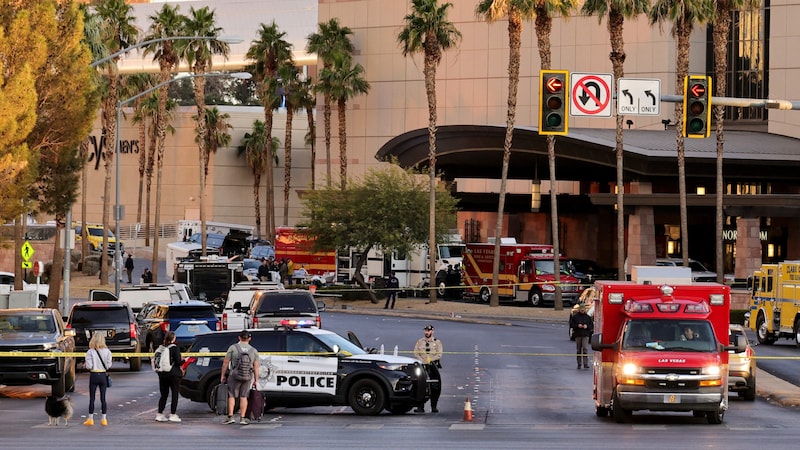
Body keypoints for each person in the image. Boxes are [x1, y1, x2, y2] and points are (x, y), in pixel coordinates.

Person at [221, 330, 260, 425]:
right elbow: (256, 366)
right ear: (249, 339)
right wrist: (256, 380)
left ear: (239, 337)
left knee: (232, 395)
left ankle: (230, 416)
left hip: (234, 375)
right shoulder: (253, 350)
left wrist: (223, 375)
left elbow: (225, 362)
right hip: (247, 376)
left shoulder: (233, 348)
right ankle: (242, 418)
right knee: (244, 396)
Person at [84, 333, 112, 426]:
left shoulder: (90, 352)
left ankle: (90, 419)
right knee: (103, 398)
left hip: (94, 375)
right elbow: (108, 365)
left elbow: (89, 366)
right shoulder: (107, 351)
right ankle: (104, 419)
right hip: (103, 375)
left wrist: (86, 365)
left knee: (92, 398)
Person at [413, 324, 443, 413]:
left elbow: (439, 354)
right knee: (420, 384)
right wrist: (422, 360)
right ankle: (420, 407)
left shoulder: (437, 342)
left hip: (432, 366)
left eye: (428, 331)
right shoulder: (419, 342)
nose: (427, 332)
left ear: (432, 331)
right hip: (422, 365)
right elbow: (416, 353)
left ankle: (434, 406)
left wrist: (430, 360)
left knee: (435, 386)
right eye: (425, 330)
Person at [155, 331, 183, 423]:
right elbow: (178, 362)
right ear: (173, 338)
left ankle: (160, 414)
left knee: (164, 395)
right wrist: (184, 360)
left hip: (162, 374)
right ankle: (173, 414)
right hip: (173, 374)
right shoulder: (175, 348)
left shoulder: (161, 348)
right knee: (174, 394)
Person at [569, 303, 594, 369]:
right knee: (578, 350)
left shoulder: (588, 317)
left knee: (585, 348)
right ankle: (579, 364)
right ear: (579, 309)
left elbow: (591, 326)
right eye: (581, 310)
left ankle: (585, 363)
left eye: (583, 310)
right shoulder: (575, 317)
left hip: (585, 334)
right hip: (578, 334)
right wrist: (577, 325)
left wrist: (587, 326)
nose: (582, 311)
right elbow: (571, 325)